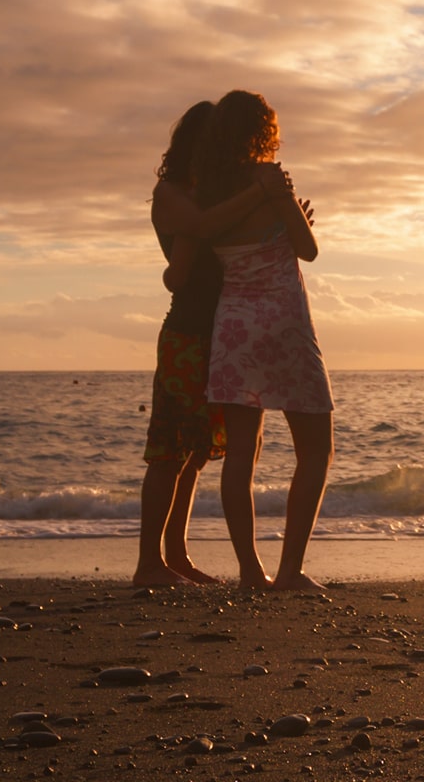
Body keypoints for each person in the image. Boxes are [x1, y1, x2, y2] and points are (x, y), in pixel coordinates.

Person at [134, 101, 290, 587]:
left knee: (196, 454)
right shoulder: (173, 193)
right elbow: (195, 238)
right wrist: (261, 192)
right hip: (186, 334)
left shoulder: (213, 193)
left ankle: (175, 556)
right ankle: (148, 564)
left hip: (221, 332)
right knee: (169, 451)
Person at [192, 89, 331, 592]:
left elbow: (207, 235)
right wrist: (287, 206)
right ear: (263, 131)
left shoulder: (207, 190)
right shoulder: (270, 181)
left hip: (234, 325)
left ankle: (252, 572)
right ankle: (290, 571)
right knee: (315, 448)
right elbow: (308, 250)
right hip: (284, 323)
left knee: (242, 454)